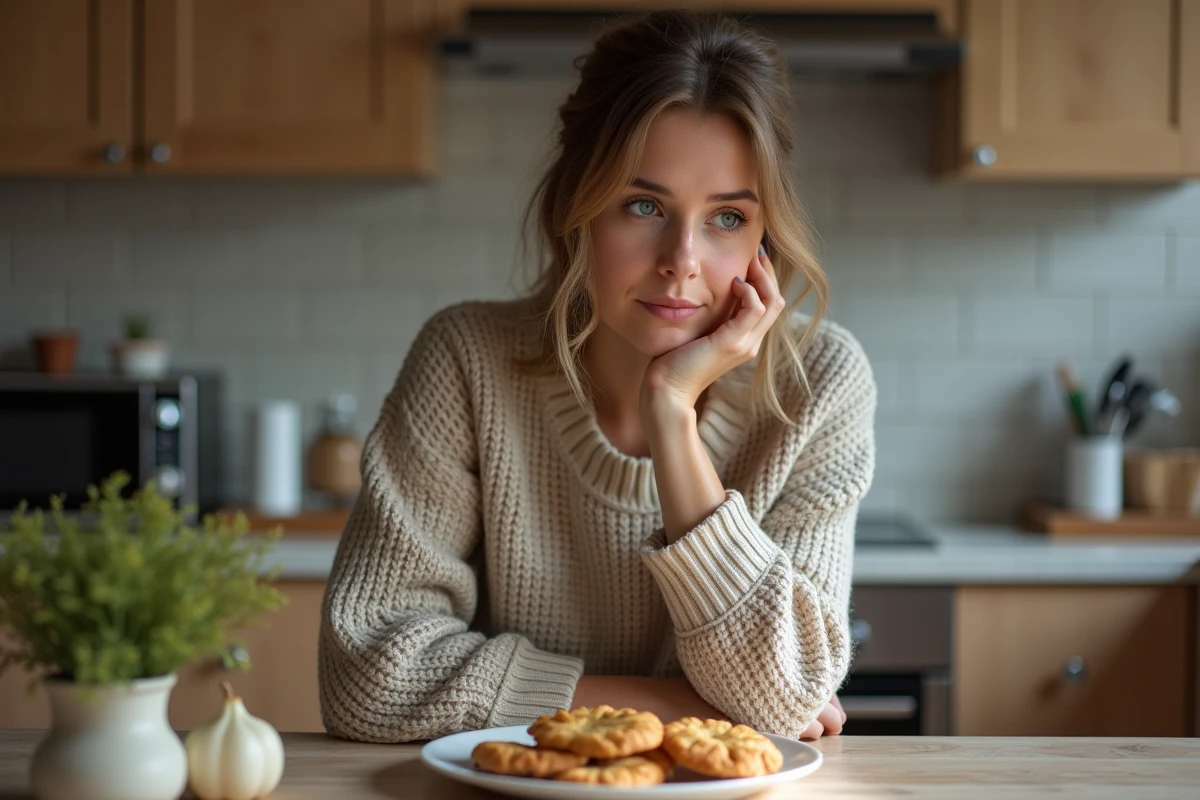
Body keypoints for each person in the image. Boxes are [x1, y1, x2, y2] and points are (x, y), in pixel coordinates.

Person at [318, 8, 874, 744]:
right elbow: (366, 675)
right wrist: (675, 705)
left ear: (764, 236)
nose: (682, 258)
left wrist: (671, 412)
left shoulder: (819, 384)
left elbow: (788, 690)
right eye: (643, 205)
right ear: (578, 209)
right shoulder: (466, 360)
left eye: (727, 218)